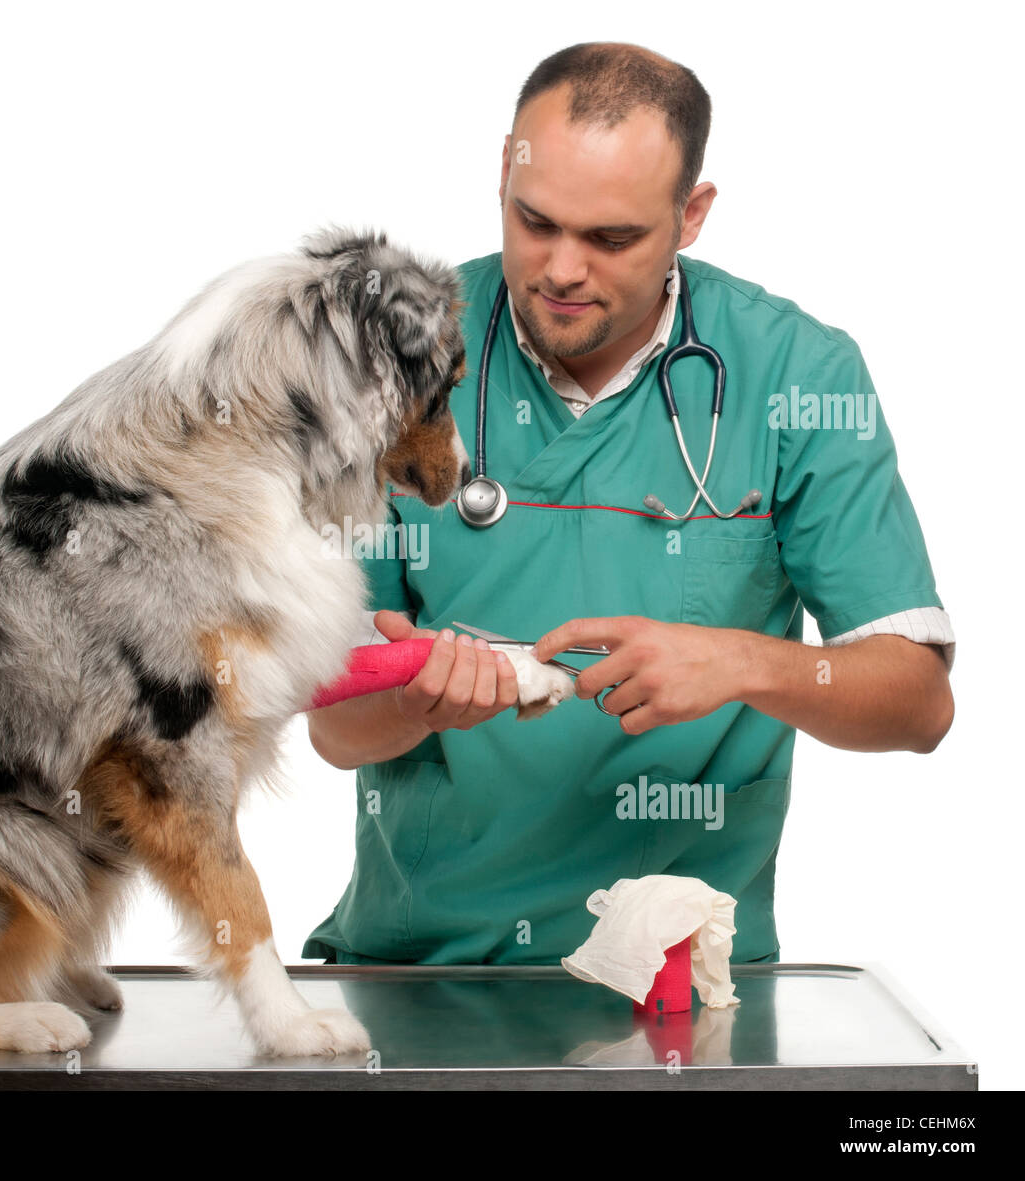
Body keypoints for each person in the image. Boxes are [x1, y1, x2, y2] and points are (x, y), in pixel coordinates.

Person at [302, 41, 954, 967]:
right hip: (420, 970)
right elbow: (334, 726)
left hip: (681, 987)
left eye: (611, 239)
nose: (562, 268)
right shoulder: (391, 361)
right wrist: (417, 703)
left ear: (692, 216)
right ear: (502, 172)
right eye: (536, 222)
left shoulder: (797, 375)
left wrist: (740, 662)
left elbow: (919, 703)